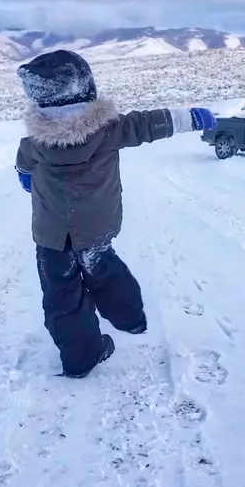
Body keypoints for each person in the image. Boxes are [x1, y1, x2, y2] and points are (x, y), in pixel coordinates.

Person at [14, 50, 217, 378]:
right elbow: (152, 123)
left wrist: (26, 179)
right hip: (96, 228)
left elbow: (23, 167)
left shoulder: (33, 143)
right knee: (104, 269)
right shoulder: (110, 129)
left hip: (51, 235)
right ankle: (130, 317)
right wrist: (194, 116)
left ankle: (81, 357)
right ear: (86, 88)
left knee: (60, 295)